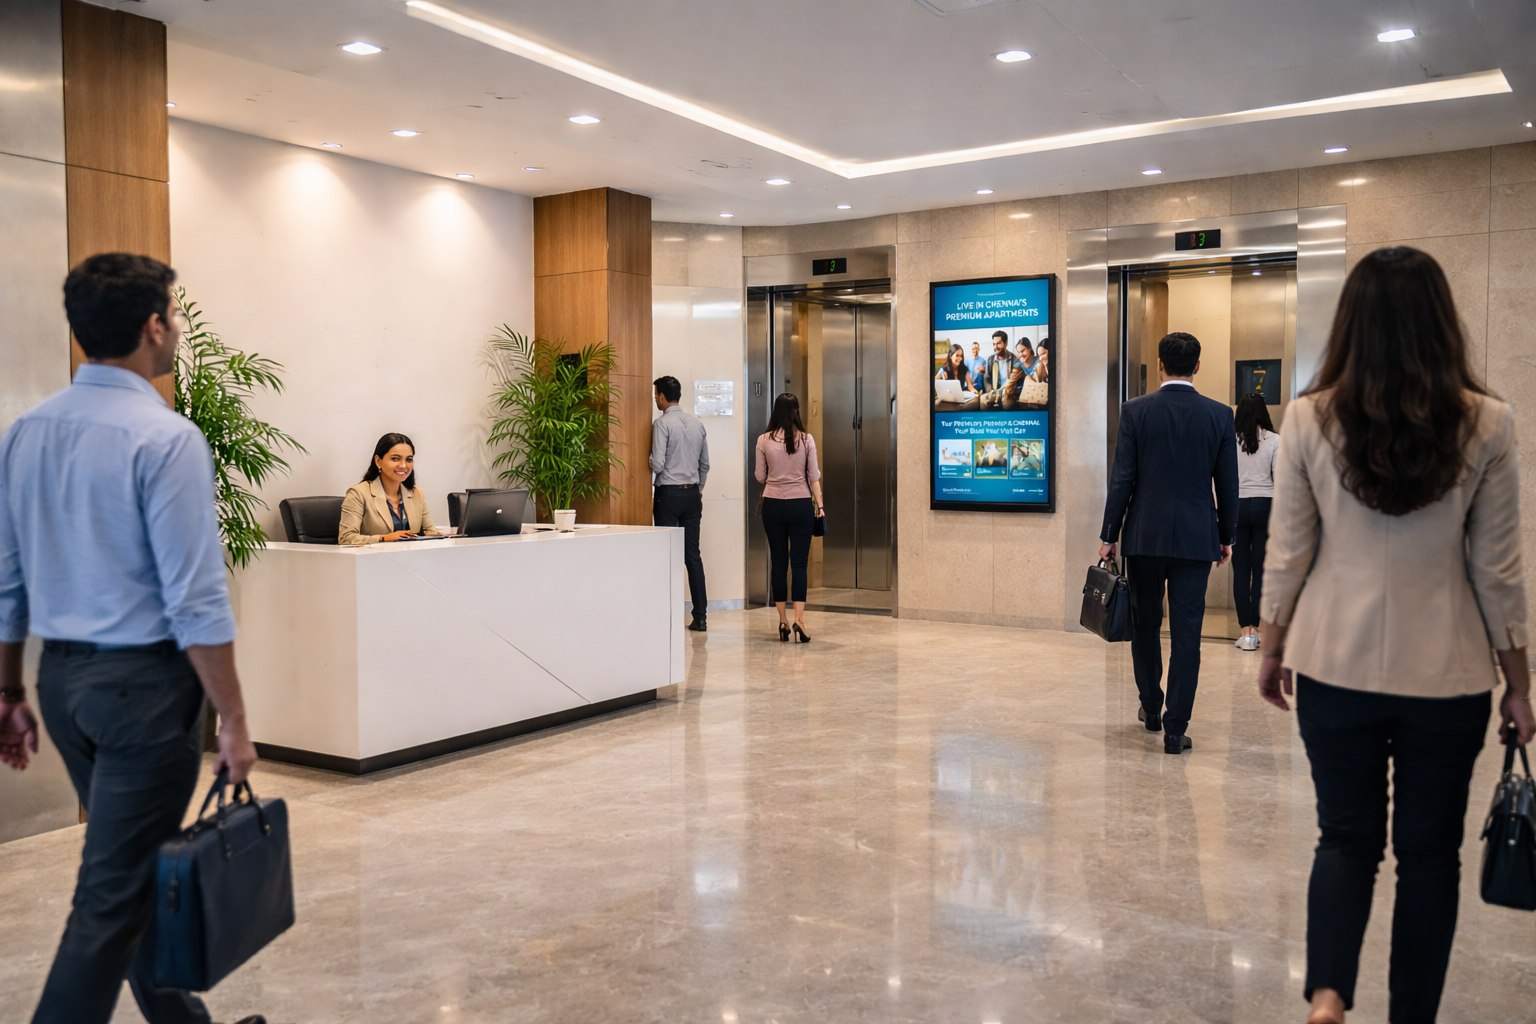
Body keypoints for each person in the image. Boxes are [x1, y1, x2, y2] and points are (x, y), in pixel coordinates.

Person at [1255, 246, 1535, 1024]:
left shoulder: (1309, 418)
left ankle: (1328, 998)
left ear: (1352, 323)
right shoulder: (1489, 422)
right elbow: (1499, 570)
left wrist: (1272, 645)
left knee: (1344, 838)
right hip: (1447, 674)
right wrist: (1519, 680)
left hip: (1333, 663)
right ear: (1442, 323)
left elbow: (1289, 551)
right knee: (1428, 858)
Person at [0, 254, 265, 1024]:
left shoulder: (26, 433)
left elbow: (8, 582)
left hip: (62, 685)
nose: (177, 327)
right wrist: (237, 722)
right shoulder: (166, 438)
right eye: (175, 315)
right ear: (153, 327)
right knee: (109, 900)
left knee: (134, 868)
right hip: (144, 696)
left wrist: (10, 691)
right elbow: (195, 600)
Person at [1099, 331, 1238, 754]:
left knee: (1145, 625)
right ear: (1197, 366)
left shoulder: (1135, 411)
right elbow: (1228, 483)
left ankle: (1151, 708)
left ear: (1160, 364)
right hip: (1197, 539)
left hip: (1144, 536)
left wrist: (1109, 535)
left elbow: (1122, 479)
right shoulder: (1219, 415)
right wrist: (1226, 536)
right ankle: (1177, 729)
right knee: (1187, 634)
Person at [754, 393, 824, 643]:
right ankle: (799, 620)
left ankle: (782, 621)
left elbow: (760, 476)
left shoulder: (763, 440)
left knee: (779, 563)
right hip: (800, 505)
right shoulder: (807, 440)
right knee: (800, 564)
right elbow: (813, 475)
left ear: (775, 411)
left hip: (773, 505)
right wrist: (821, 505)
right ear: (797, 411)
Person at [651, 375, 710, 632]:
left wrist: (648, 462)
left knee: (667, 555)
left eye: (656, 395)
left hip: (669, 495)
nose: (655, 399)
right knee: (692, 556)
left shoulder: (662, 424)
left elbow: (658, 464)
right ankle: (700, 616)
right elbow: (705, 465)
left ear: (663, 397)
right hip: (692, 495)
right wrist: (698, 490)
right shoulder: (697, 424)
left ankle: (669, 615)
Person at [1232, 392, 1279, 651]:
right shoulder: (1275, 441)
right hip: (1265, 505)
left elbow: (1224, 478)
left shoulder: (1230, 440)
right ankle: (1255, 631)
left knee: (1241, 571)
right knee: (1260, 571)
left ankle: (1245, 632)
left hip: (1237, 506)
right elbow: (1279, 479)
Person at [338, 432, 441, 545]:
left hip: (410, 559)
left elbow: (430, 531)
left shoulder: (416, 493)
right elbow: (346, 538)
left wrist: (447, 535)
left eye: (409, 460)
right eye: (395, 459)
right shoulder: (358, 493)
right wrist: (383, 538)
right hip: (373, 559)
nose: (403, 465)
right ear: (378, 461)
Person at [976, 331, 1020, 410]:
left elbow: (1015, 382)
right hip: (994, 392)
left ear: (1005, 344)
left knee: (1006, 403)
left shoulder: (1014, 359)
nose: (995, 347)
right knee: (982, 399)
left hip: (1008, 393)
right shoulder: (990, 359)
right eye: (994, 344)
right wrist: (991, 390)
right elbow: (987, 379)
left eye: (998, 343)